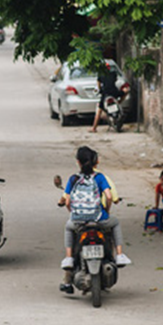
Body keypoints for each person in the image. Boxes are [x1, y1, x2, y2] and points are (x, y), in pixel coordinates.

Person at [59, 146, 132, 293]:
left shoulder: (73, 179)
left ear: (78, 162)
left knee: (68, 227)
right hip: (99, 218)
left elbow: (67, 202)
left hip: (79, 220)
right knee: (115, 223)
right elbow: (110, 196)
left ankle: (69, 258)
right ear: (94, 162)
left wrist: (74, 213)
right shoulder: (99, 177)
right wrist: (106, 211)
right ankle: (119, 255)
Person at [89, 62, 123, 133]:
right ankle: (119, 102)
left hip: (105, 94)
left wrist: (100, 90)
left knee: (99, 111)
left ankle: (94, 128)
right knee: (125, 92)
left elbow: (98, 86)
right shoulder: (113, 73)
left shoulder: (100, 75)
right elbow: (115, 81)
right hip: (114, 93)